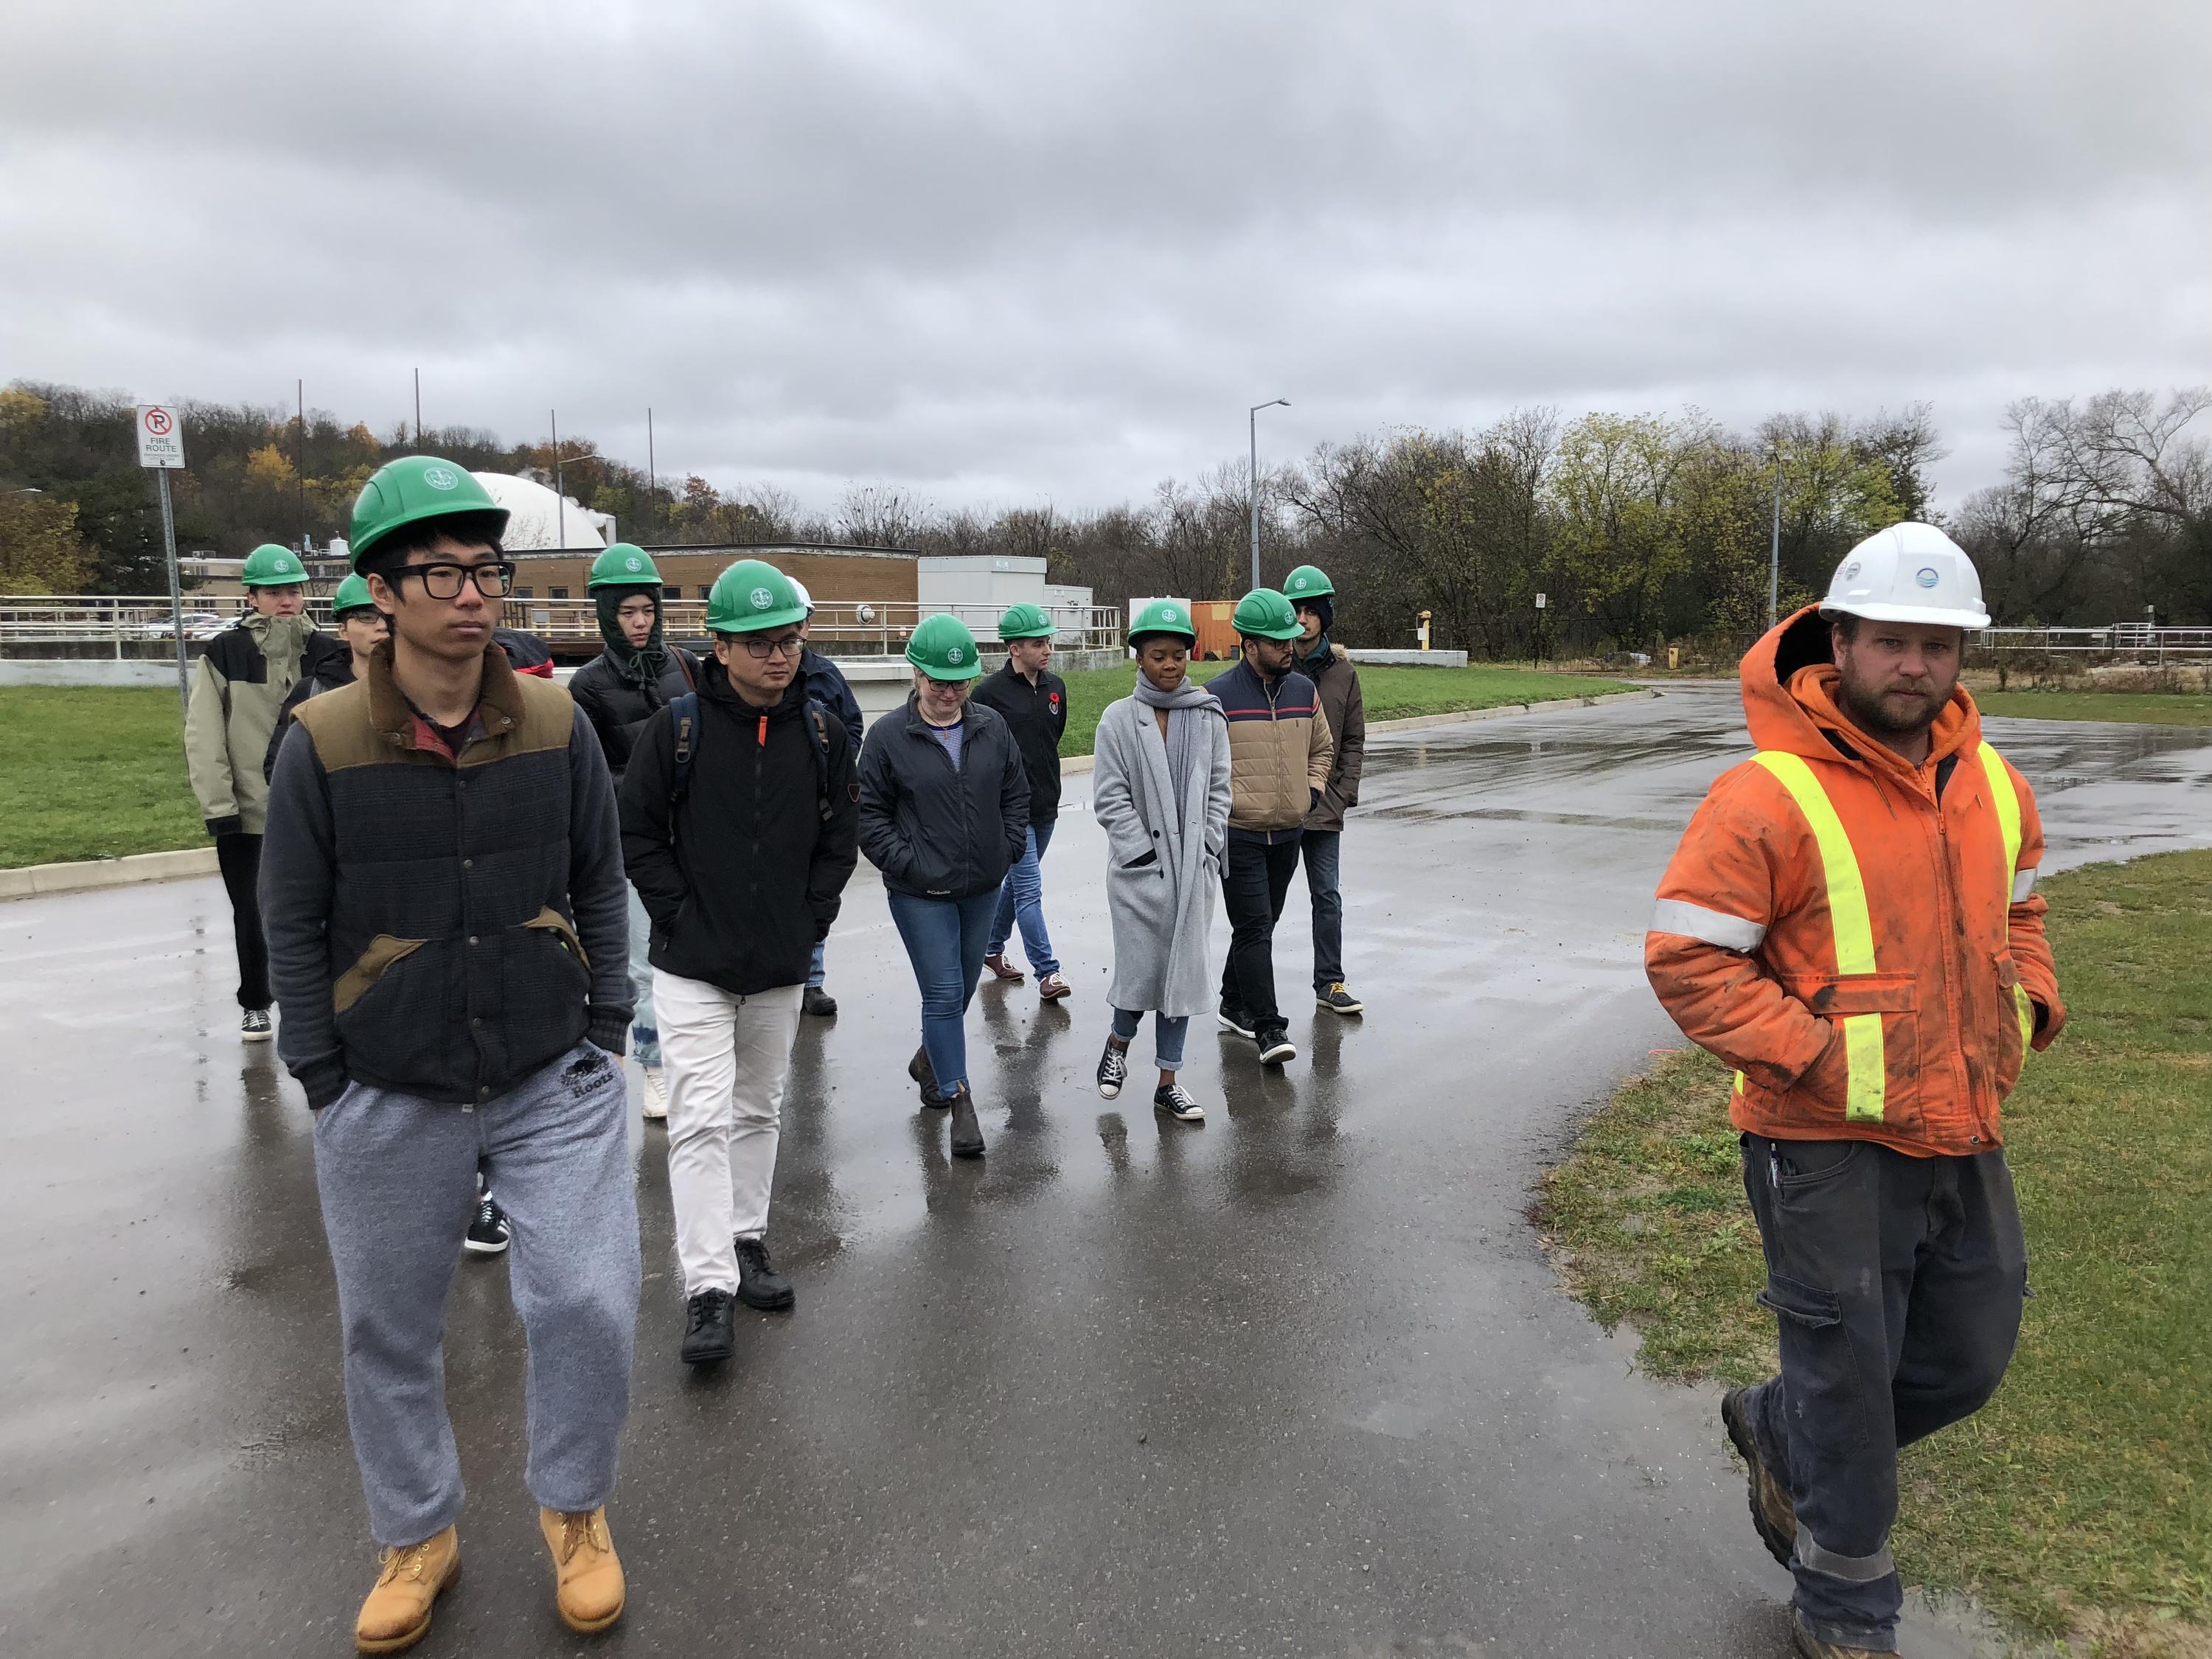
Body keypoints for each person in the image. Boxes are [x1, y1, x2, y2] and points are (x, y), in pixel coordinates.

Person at [1644, 523, 2065, 1659]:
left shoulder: (1993, 782)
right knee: (1849, 1372)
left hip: (1962, 1121)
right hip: (1819, 1141)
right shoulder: (1765, 794)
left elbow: (2022, 910)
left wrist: (2026, 1002)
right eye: (1892, 641)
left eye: (1939, 645)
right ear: (1839, 640)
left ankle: (1780, 1426)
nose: (1915, 666)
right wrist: (1820, 1056)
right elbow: (1688, 959)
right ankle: (1845, 1604)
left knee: (1968, 1355)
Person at [260, 456, 640, 1651]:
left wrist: (609, 1024)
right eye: (440, 570)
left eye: (486, 567)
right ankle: (417, 1532)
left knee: (586, 1299)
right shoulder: (317, 746)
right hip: (386, 1087)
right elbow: (290, 921)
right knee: (388, 1326)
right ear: (381, 593)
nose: (472, 593)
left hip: (549, 1071)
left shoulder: (558, 721)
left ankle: (575, 1513)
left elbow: (600, 878)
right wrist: (323, 1076)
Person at [620, 560, 860, 1366]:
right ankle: (708, 1287)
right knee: (697, 1120)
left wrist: (810, 918)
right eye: (758, 643)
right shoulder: (677, 729)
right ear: (720, 647)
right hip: (692, 967)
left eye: (788, 640)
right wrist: (679, 915)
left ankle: (748, 1240)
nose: (777, 656)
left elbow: (838, 843)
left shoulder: (822, 734)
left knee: (759, 1112)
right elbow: (639, 834)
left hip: (778, 965)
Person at [857, 613, 1029, 1161]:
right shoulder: (887, 739)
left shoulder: (991, 727)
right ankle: (960, 1101)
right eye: (938, 682)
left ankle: (931, 1061)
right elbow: (871, 818)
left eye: (960, 682)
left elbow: (1015, 792)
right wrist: (909, 864)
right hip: (919, 893)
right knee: (943, 991)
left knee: (958, 989)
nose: (950, 693)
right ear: (916, 674)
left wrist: (1008, 848)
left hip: (982, 885)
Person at [185, 543, 342, 1041]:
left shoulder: (329, 651)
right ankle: (256, 1002)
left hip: (322, 811)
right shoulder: (225, 653)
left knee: (332, 910)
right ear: (251, 597)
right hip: (250, 815)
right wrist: (219, 808)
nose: (286, 599)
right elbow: (204, 734)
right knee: (252, 913)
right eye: (273, 591)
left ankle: (331, 1004)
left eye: (293, 589)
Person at [569, 543, 700, 1121]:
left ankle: (695, 1056)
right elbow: (595, 778)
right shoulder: (589, 687)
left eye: (648, 609)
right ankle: (653, 1068)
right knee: (645, 962)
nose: (641, 621)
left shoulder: (682, 664)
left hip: (691, 832)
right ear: (606, 614)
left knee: (695, 950)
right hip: (634, 841)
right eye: (628, 612)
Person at [1090, 600, 1230, 1123]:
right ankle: (1118, 1044)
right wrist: (1143, 853)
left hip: (1194, 871)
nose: (1170, 665)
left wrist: (1210, 847)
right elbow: (1110, 797)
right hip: (1139, 876)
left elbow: (1220, 788)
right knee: (1141, 970)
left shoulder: (1207, 715)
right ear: (1139, 659)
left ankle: (1168, 1081)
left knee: (1183, 976)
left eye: (1177, 655)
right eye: (1158, 655)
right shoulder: (1117, 720)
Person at [1211, 588, 1332, 1069]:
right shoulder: (1216, 696)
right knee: (1255, 926)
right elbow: (1201, 766)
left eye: (1290, 640)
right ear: (1249, 643)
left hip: (1288, 833)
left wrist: (1313, 793)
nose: (1289, 647)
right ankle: (1268, 1027)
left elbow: (1322, 749)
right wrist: (1223, 809)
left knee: (1260, 926)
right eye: (1277, 641)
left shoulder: (1304, 691)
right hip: (1238, 833)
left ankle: (1231, 1000)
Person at [975, 601, 1073, 1000]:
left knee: (1016, 888)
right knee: (1030, 887)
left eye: (1047, 641)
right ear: (1014, 649)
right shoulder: (988, 694)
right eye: (1037, 643)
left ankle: (990, 948)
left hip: (1047, 804)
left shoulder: (1056, 688)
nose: (1046, 649)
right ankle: (1048, 972)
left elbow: (1054, 738)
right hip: (1010, 811)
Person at [1283, 565, 1366, 1017]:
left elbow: (1353, 740)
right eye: (1295, 610)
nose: (1303, 618)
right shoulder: (1271, 664)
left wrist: (1341, 793)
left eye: (1311, 610)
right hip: (1276, 808)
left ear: (1324, 616)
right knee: (1263, 906)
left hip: (1325, 807)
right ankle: (1240, 997)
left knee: (1326, 896)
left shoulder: (1344, 674)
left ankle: (1330, 983)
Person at [788, 577, 864, 1019]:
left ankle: (811, 982)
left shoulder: (826, 676)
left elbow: (851, 726)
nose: (796, 632)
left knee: (816, 890)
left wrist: (835, 769)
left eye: (801, 623)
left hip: (817, 803)